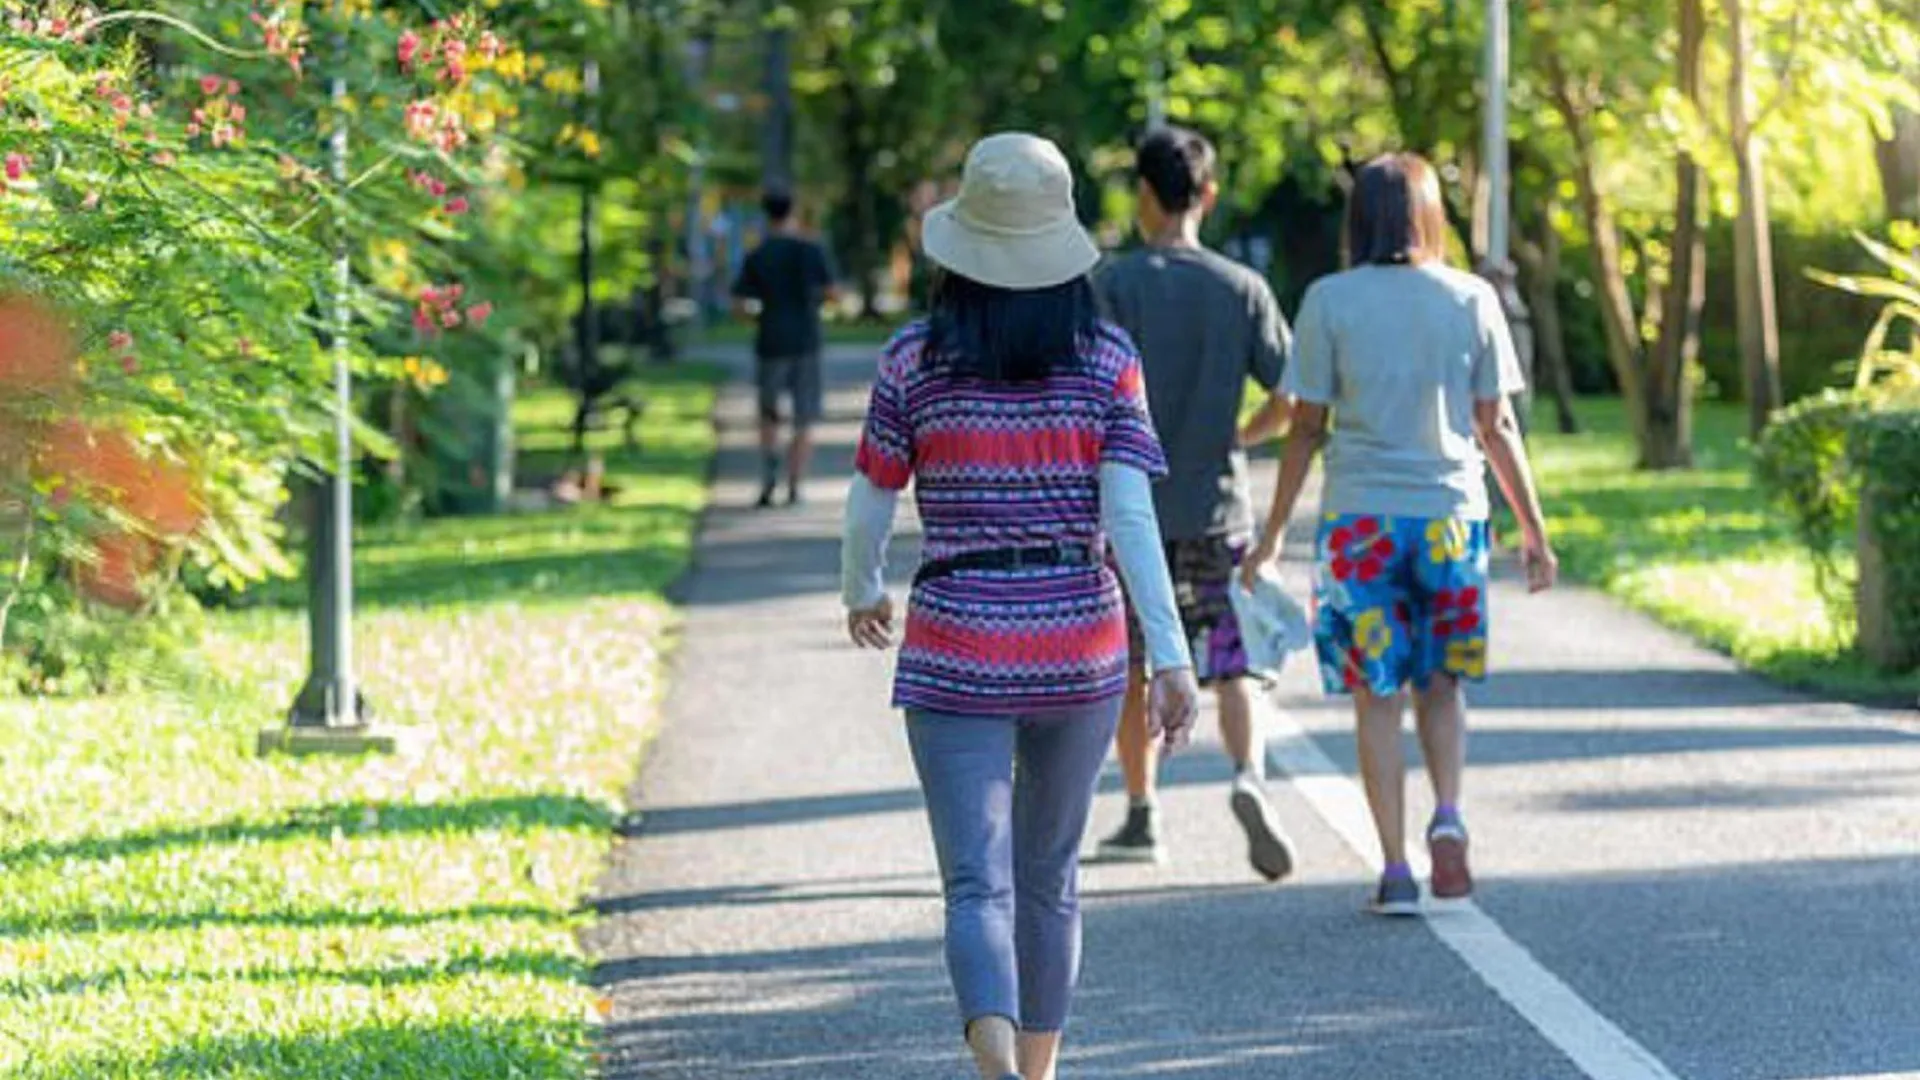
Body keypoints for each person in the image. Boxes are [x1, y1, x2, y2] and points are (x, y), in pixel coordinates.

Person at [842, 132, 1201, 1080]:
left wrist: (862, 587)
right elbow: (1129, 515)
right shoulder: (1107, 359)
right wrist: (1171, 659)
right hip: (1079, 644)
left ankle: (995, 1059)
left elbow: (872, 491)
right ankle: (1035, 1076)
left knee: (975, 884)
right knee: (1050, 883)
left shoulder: (913, 358)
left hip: (956, 637)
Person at [1240, 152, 1558, 915]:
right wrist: (1534, 531)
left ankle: (1394, 868)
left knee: (1376, 696)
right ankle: (1447, 815)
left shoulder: (1329, 300)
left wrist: (1273, 533)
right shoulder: (1471, 297)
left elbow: (1305, 428)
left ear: (1360, 222)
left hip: (1361, 528)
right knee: (1441, 685)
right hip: (1451, 521)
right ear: (1428, 214)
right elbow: (1496, 424)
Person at [1090, 126, 1299, 880]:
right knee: (1232, 660)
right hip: (1219, 505)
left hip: (1130, 511)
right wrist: (1244, 432)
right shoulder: (1242, 287)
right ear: (1208, 195)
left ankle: (1144, 813)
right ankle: (1248, 775)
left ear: (1143, 195)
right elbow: (1294, 394)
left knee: (1136, 666)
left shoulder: (1113, 284)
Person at [731, 188, 836, 508]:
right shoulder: (811, 249)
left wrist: (761, 317)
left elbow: (738, 306)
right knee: (804, 417)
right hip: (806, 340)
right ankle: (795, 484)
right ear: (794, 210)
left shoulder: (758, 254)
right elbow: (832, 293)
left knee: (768, 414)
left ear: (765, 213)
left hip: (770, 340)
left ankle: (767, 478)